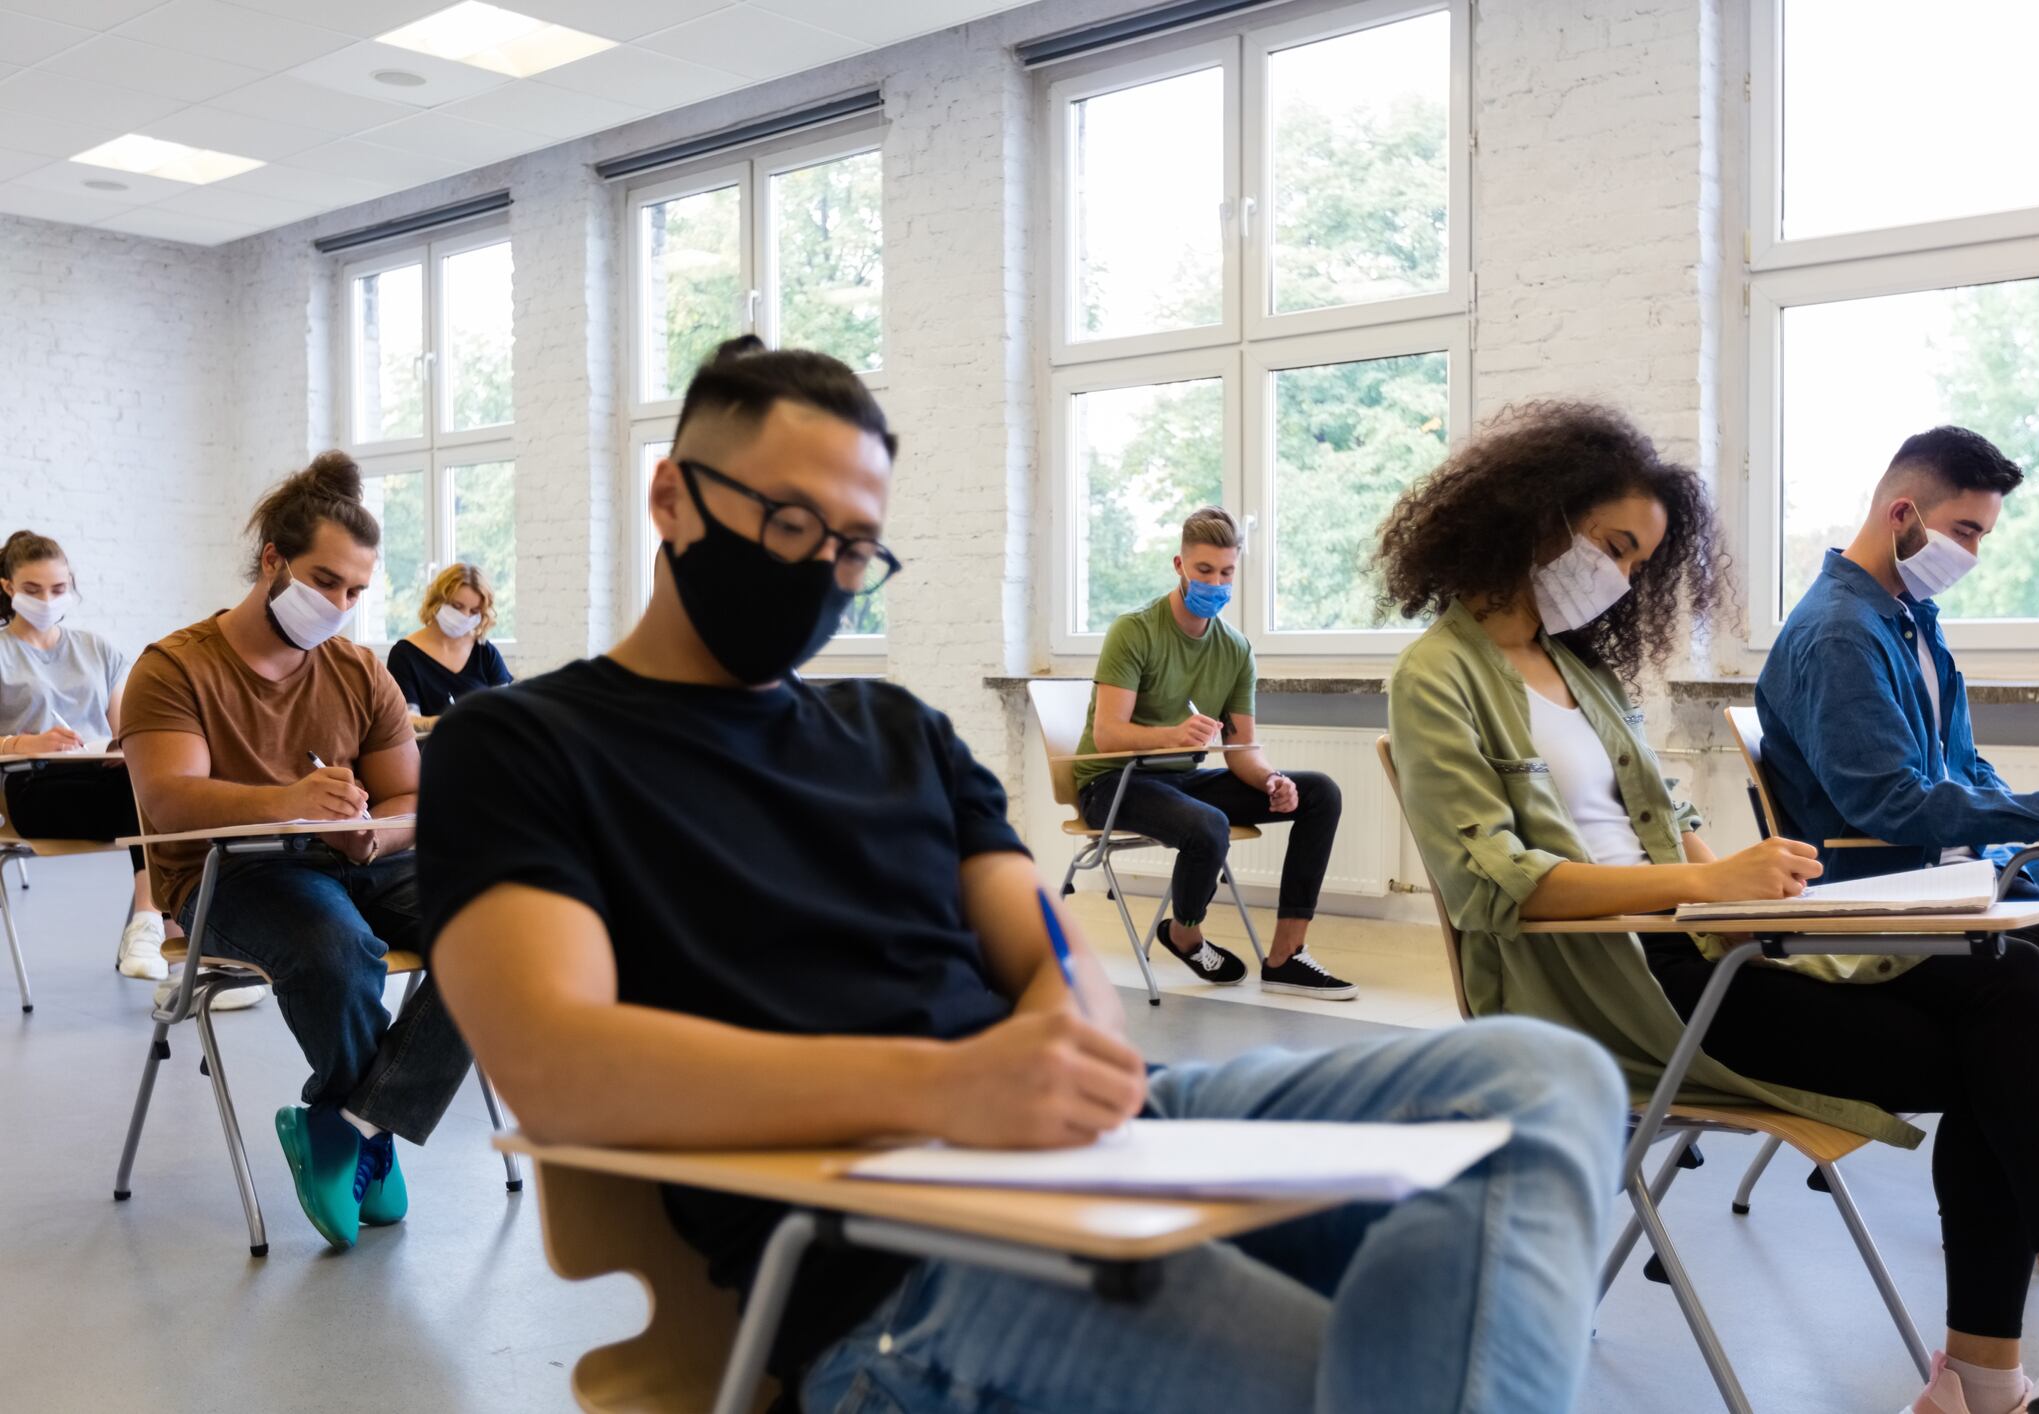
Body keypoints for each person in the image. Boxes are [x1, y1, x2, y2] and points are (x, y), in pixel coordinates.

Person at [420, 337, 1627, 1414]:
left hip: (1080, 1140)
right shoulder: (524, 747)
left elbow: (1043, 944)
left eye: (856, 551)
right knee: (1355, 1372)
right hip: (890, 1260)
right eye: (794, 529)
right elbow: (558, 1063)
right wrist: (950, 1087)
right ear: (673, 498)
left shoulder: (898, 734)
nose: (825, 572)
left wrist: (1065, 1045)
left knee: (1543, 1079)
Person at [1383, 401, 2039, 1414]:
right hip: (1621, 990)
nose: (1623, 577)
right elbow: (1492, 886)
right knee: (2011, 1059)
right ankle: (2038, 1341)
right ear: (1535, 518)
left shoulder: (1584, 675)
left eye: (1639, 560)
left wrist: (1744, 885)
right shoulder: (1438, 675)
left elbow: (1672, 821)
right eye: (1613, 547)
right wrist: (1701, 885)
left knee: (2011, 979)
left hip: (1708, 954)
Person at [119, 451, 472, 1252]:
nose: (341, 605)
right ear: (273, 561)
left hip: (353, 857)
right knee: (335, 948)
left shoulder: (358, 671)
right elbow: (169, 801)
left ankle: (351, 1123)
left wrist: (374, 828)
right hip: (228, 871)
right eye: (325, 581)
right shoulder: (173, 667)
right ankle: (368, 1132)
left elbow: (408, 797)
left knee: (498, 921)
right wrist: (289, 804)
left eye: (355, 591)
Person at [1757, 425, 2039, 1093]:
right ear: (1902, 514)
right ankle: (2008, 1120)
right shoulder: (1840, 634)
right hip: (1898, 893)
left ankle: (2013, 1111)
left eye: (1981, 535)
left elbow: (1965, 768)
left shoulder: (1910, 616)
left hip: (1963, 868)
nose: (1972, 554)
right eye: (1964, 531)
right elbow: (1892, 807)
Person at [1074, 506, 1356, 999]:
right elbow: (1108, 735)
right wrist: (1173, 735)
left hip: (1180, 780)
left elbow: (1242, 749)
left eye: (1226, 572)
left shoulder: (1237, 649)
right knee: (1209, 823)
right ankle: (1184, 932)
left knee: (1319, 793)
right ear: (1179, 566)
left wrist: (1270, 779)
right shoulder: (1135, 630)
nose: (1216, 582)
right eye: (1204, 570)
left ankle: (1287, 956)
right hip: (1113, 783)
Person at [0, 530, 169, 980]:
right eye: (33, 590)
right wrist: (22, 743)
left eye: (58, 589)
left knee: (160, 783)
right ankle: (163, 932)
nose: (47, 599)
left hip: (103, 778)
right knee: (151, 798)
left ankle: (152, 924)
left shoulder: (98, 649)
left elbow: (126, 732)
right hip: (29, 785)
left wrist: (125, 748)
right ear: (7, 588)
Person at [386, 562, 513, 730]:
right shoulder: (405, 655)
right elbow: (406, 719)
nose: (464, 616)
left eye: (474, 611)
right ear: (436, 601)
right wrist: (446, 722)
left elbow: (508, 709)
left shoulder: (484, 651)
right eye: (457, 606)